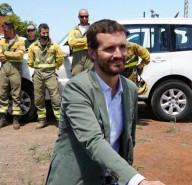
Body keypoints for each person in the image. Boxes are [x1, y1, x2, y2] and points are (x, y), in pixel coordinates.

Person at [46, 19, 164, 185]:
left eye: (122, 47)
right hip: (78, 179)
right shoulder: (77, 88)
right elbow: (93, 141)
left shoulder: (129, 89)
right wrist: (138, 181)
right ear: (92, 53)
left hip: (112, 179)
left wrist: (120, 174)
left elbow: (128, 140)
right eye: (109, 48)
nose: (118, 54)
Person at [27, 23, 64, 129]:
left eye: (47, 32)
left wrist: (54, 67)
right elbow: (30, 61)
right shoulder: (33, 46)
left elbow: (60, 59)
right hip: (38, 74)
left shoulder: (54, 45)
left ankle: (59, 119)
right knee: (38, 98)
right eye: (43, 32)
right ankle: (42, 120)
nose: (46, 34)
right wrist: (38, 68)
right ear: (39, 33)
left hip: (50, 74)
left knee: (56, 98)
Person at [0, 21, 25, 130]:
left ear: (11, 30)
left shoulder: (20, 41)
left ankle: (16, 118)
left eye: (5, 31)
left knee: (16, 93)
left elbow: (20, 56)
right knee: (2, 93)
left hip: (15, 70)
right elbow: (0, 56)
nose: (3, 33)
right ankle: (2, 117)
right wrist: (12, 53)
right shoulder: (2, 41)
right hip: (4, 69)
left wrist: (6, 54)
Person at [68, 8, 93, 76]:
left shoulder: (93, 29)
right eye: (82, 16)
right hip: (77, 58)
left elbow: (94, 40)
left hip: (90, 57)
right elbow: (71, 42)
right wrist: (86, 41)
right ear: (78, 17)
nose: (84, 18)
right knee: (77, 78)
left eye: (86, 16)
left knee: (91, 78)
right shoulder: (73, 30)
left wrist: (77, 42)